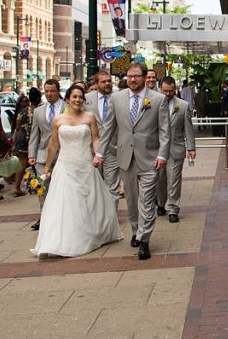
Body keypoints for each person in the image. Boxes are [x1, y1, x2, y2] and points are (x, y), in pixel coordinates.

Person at [31, 85, 123, 259]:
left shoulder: (89, 117)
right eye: (74, 97)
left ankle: (90, 234)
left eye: (80, 97)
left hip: (85, 165)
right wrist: (47, 167)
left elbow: (96, 138)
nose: (77, 100)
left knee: (88, 202)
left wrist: (98, 155)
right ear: (67, 99)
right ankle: (62, 240)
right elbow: (53, 144)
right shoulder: (58, 120)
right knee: (66, 203)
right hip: (65, 166)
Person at [94, 61, 170, 261]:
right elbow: (109, 128)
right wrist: (100, 153)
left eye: (136, 76)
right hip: (125, 157)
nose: (132, 80)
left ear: (144, 77)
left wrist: (162, 154)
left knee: (146, 200)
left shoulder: (158, 100)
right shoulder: (117, 99)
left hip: (150, 158)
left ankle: (145, 239)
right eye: (129, 76)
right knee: (131, 199)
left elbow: (164, 131)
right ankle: (136, 230)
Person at [157, 76, 196, 223]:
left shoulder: (183, 105)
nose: (168, 94)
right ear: (160, 88)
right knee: (159, 180)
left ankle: (173, 209)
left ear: (175, 89)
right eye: (165, 91)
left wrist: (191, 147)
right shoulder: (153, 103)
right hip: (157, 150)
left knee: (174, 180)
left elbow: (188, 128)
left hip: (176, 148)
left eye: (171, 91)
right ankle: (161, 202)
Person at [27, 79, 65, 230]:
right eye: (46, 91)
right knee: (43, 189)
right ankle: (43, 217)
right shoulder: (38, 111)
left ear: (58, 91)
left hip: (63, 154)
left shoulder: (67, 107)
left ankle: (62, 217)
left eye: (52, 91)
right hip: (43, 157)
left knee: (62, 189)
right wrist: (32, 155)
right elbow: (34, 135)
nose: (49, 94)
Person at [84, 70, 120, 209]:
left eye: (109, 81)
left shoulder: (119, 98)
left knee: (112, 186)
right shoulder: (87, 98)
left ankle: (112, 218)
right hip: (92, 148)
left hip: (113, 148)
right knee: (94, 184)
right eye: (103, 81)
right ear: (97, 83)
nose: (107, 84)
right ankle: (98, 214)